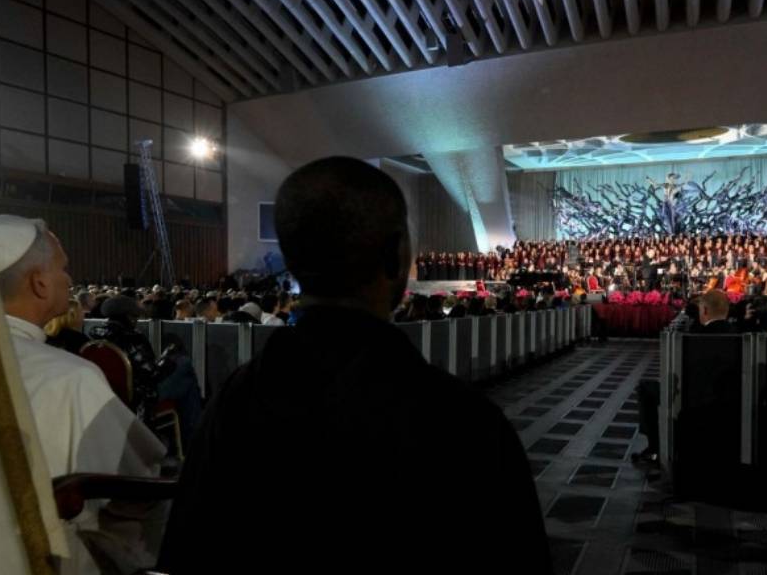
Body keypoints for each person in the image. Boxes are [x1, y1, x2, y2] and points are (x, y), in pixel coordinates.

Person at [159, 157, 552, 574]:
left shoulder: (233, 405)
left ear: (291, 261)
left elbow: (185, 552)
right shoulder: (465, 423)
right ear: (396, 257)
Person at [0, 215, 166, 575]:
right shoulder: (68, 378)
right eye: (64, 268)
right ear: (39, 283)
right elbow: (140, 490)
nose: (70, 278)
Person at [89, 295, 162, 421]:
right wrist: (168, 363)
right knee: (184, 369)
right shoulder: (132, 338)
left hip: (104, 396)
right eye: (135, 317)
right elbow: (151, 372)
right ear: (129, 317)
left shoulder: (94, 336)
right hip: (136, 399)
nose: (136, 320)